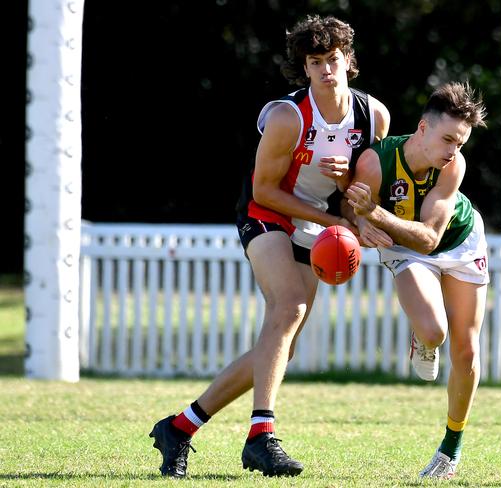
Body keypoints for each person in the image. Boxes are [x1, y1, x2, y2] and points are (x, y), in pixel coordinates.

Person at [149, 14, 390, 478]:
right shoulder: (286, 116)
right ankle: (261, 437)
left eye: (333, 59)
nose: (325, 70)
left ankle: (179, 427)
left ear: (348, 61)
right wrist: (335, 221)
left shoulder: (372, 116)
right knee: (290, 308)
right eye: (315, 61)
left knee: (282, 347)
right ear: (304, 67)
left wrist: (355, 205)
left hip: (319, 220)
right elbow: (264, 190)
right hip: (268, 213)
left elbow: (365, 187)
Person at [345, 81, 488, 480]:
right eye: (447, 140)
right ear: (422, 129)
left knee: (467, 353)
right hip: (403, 246)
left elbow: (429, 238)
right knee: (434, 331)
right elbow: (349, 202)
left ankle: (450, 449)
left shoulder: (453, 165)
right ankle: (422, 338)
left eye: (460, 143)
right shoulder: (376, 162)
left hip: (457, 241)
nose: (452, 152)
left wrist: (374, 214)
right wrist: (360, 218)